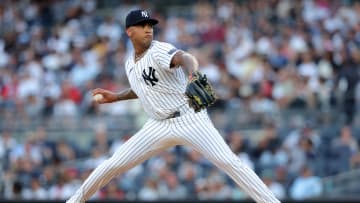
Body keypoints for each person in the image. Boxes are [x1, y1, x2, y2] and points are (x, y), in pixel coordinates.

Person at [66, 9, 280, 203]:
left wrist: (192, 73)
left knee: (230, 163)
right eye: (143, 26)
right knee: (113, 164)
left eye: (150, 25)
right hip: (157, 125)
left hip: (189, 118)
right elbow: (144, 88)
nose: (148, 30)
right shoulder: (129, 61)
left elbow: (186, 57)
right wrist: (117, 97)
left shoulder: (159, 51)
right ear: (130, 31)